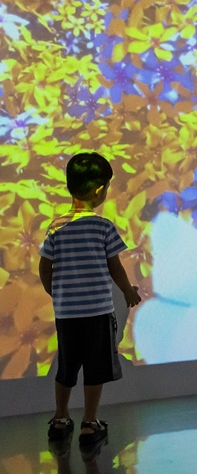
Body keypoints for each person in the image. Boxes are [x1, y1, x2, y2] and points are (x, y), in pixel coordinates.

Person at [38, 152, 142, 444]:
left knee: (66, 368)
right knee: (95, 370)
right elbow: (115, 266)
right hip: (97, 312)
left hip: (67, 313)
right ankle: (88, 423)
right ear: (99, 190)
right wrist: (128, 291)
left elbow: (45, 267)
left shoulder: (55, 227)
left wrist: (54, 292)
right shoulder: (103, 226)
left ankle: (60, 419)